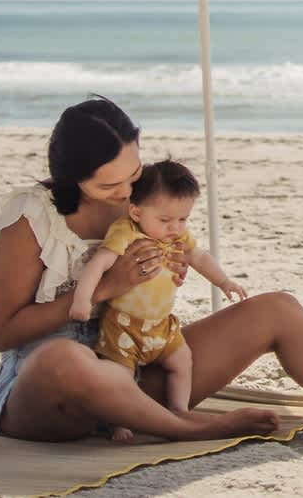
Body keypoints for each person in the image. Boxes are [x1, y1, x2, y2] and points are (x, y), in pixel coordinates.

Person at [0, 95, 303, 444]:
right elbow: (1, 332)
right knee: (66, 359)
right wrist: (107, 287)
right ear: (72, 179)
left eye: (133, 175)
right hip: (47, 395)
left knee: (277, 309)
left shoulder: (142, 202)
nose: (127, 192)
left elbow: (168, 270)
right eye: (109, 186)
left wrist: (163, 276)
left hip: (135, 373)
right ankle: (193, 429)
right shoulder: (32, 218)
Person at [69, 159, 246, 441]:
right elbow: (99, 263)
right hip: (124, 326)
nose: (175, 228)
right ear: (136, 212)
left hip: (162, 325)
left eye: (183, 219)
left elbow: (199, 257)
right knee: (121, 376)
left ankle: (179, 409)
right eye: (165, 220)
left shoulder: (177, 238)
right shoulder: (126, 232)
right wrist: (82, 299)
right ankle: (120, 422)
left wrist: (224, 282)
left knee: (182, 360)